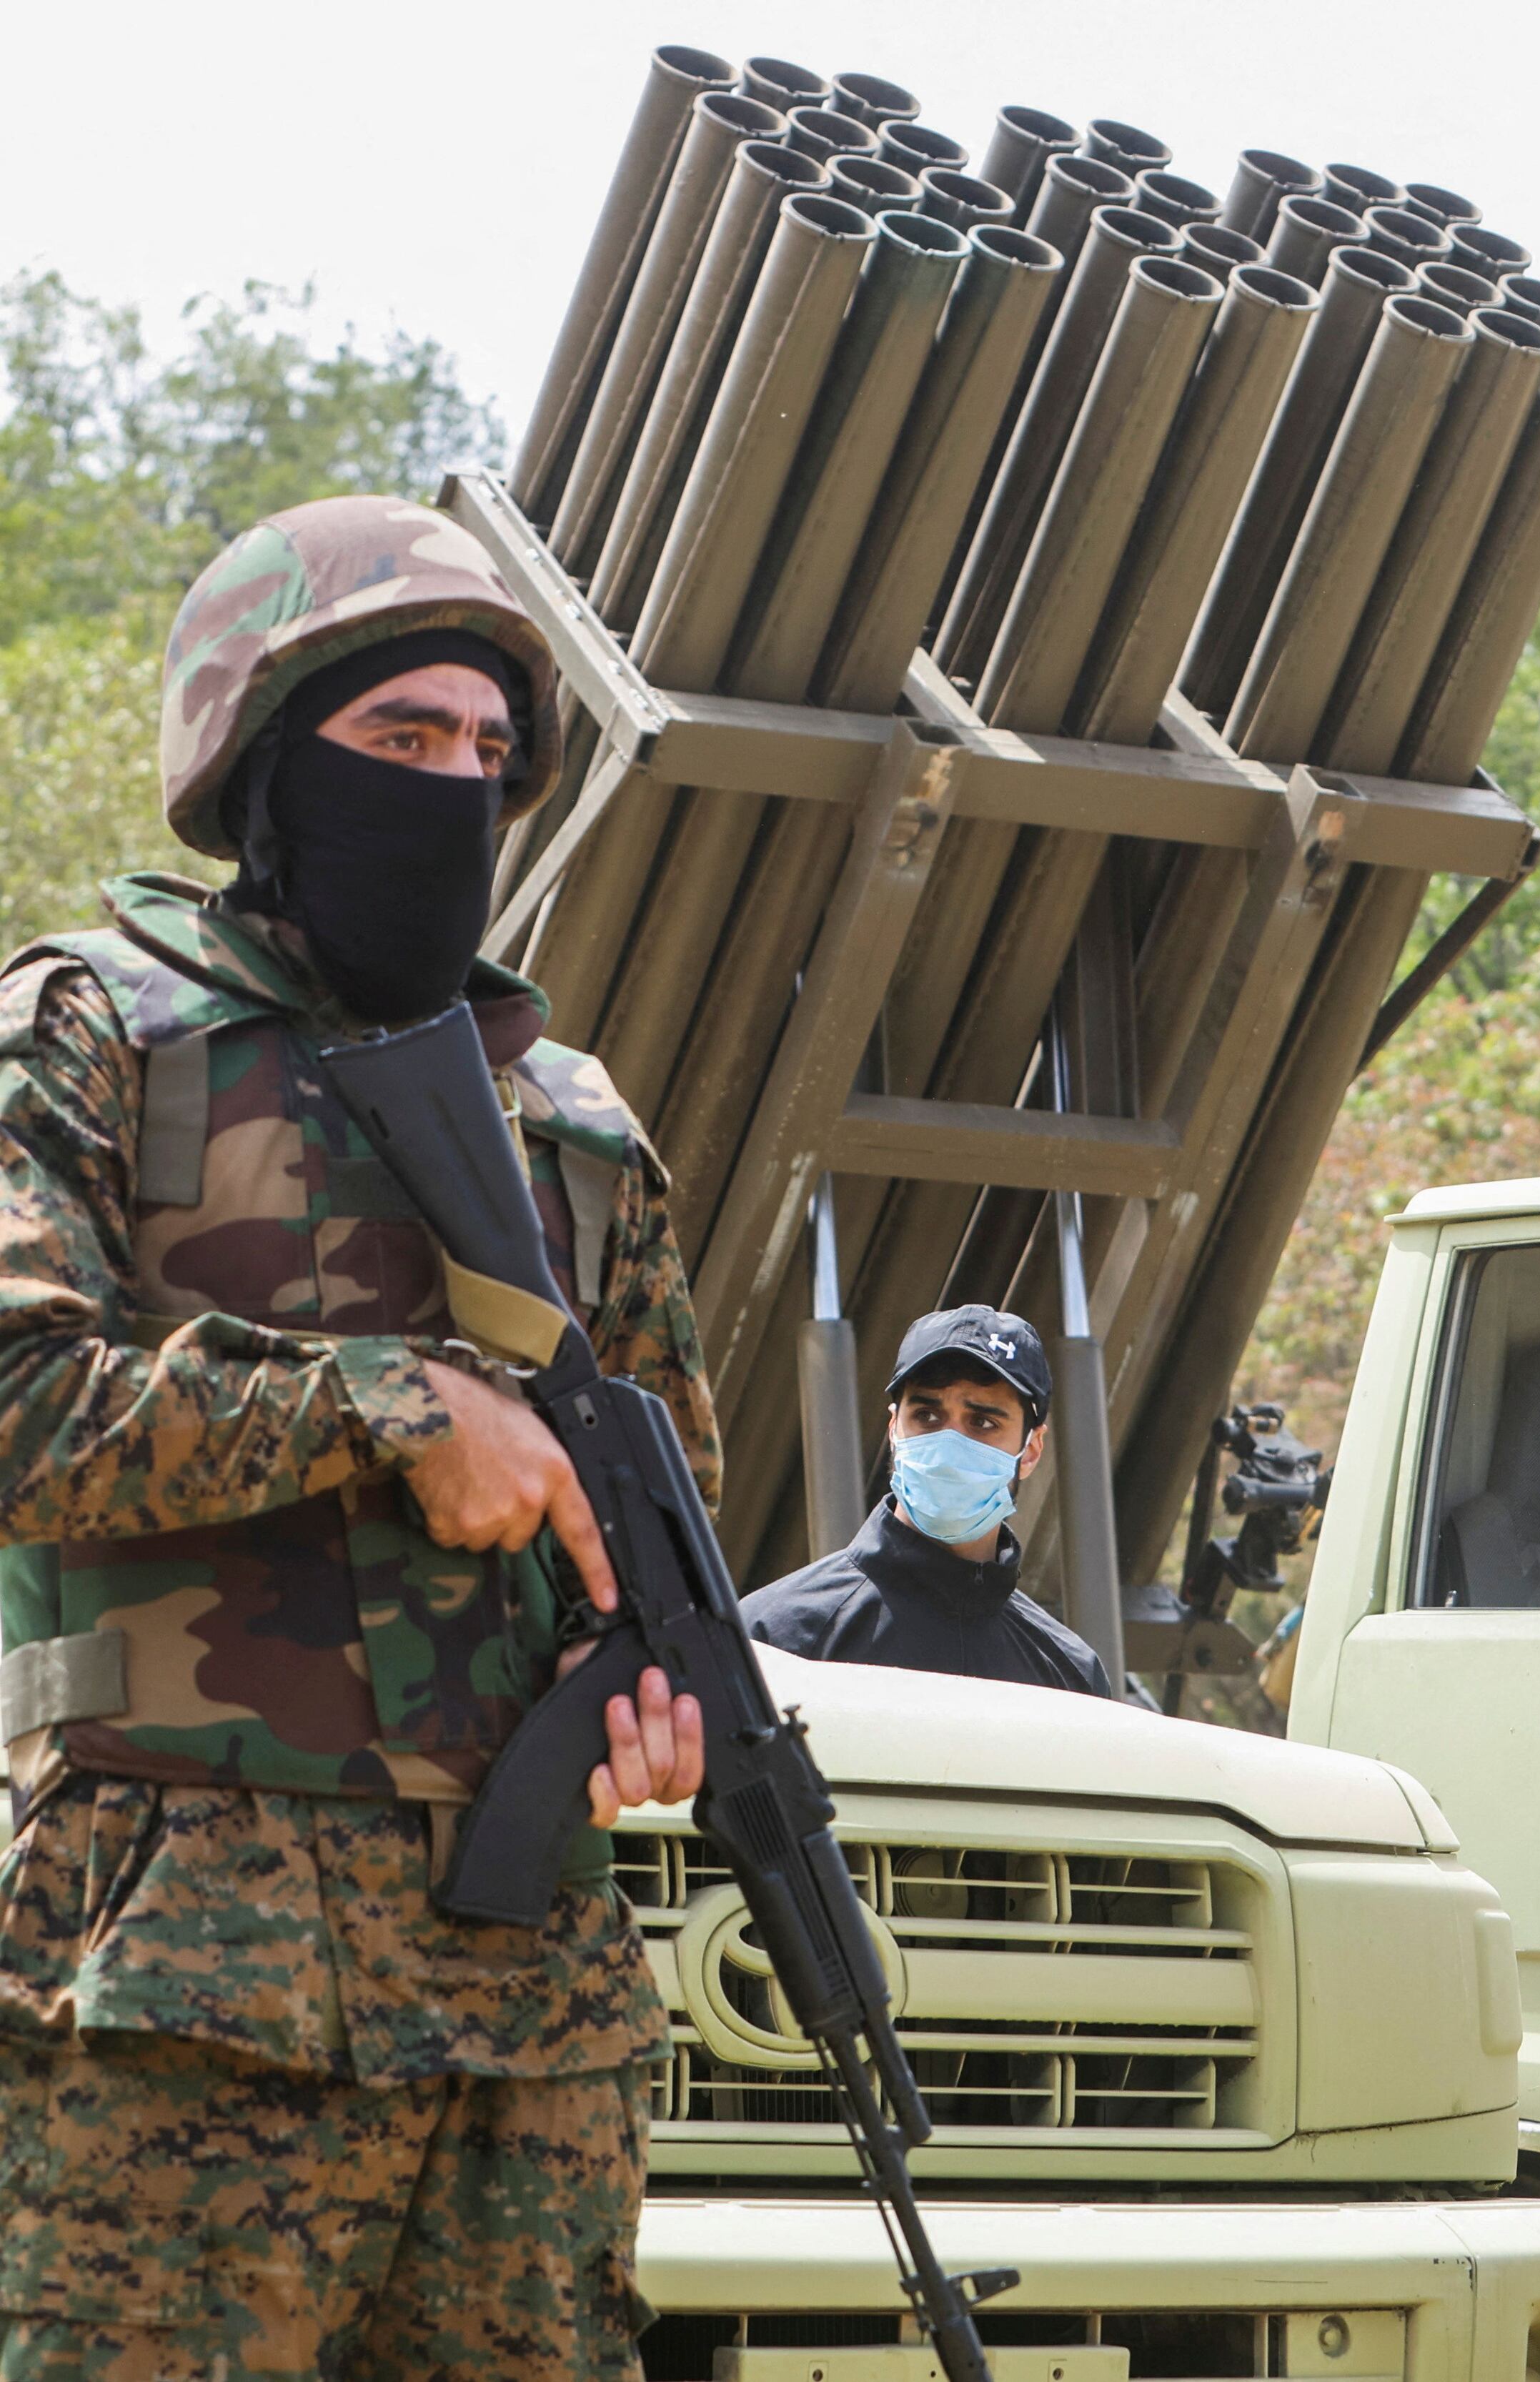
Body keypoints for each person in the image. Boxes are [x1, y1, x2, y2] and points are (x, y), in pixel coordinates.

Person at [0, 495, 712, 2376]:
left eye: (489, 753)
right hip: (167, 1972)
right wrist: (381, 1401)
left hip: (525, 2009)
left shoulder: (570, 1119)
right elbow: (15, 1411)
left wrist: (653, 1691)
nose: (455, 789)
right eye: (405, 739)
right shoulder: (92, 1032)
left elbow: (654, 1504)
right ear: (262, 755)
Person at [740, 1305, 1112, 1699]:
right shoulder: (776, 1639)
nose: (949, 1444)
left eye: (983, 1423)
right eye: (928, 1416)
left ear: (1032, 1449)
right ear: (894, 1429)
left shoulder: (1070, 1678)